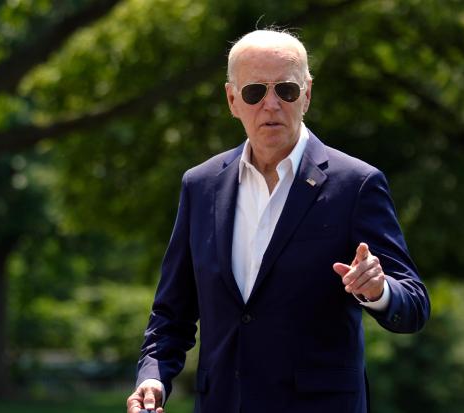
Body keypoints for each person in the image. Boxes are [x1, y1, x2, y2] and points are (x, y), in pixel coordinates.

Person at [126, 29, 430, 413]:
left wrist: (377, 290)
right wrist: (153, 378)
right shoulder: (200, 185)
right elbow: (171, 313)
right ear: (232, 99)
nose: (271, 104)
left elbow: (414, 305)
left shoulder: (356, 183)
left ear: (307, 94)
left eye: (285, 90)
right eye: (255, 92)